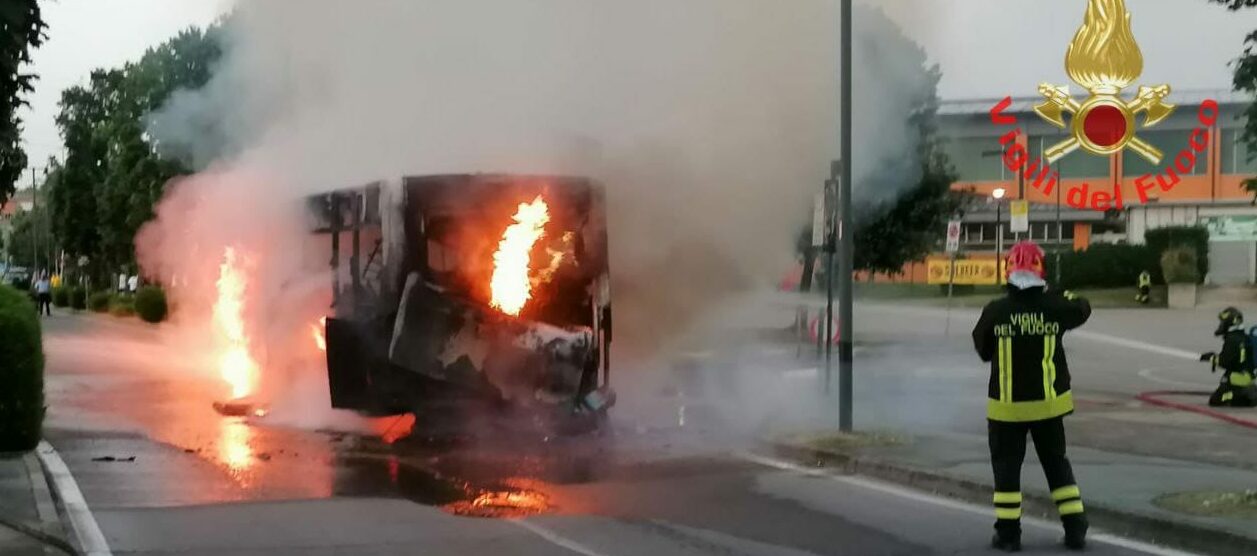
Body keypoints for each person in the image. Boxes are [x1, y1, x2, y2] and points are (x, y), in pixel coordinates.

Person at [972, 241, 1091, 552]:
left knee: (1007, 472)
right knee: (1056, 465)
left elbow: (983, 351)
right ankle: (1075, 528)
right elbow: (1082, 307)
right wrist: (1056, 294)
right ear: (1042, 272)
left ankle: (1009, 536)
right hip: (1049, 407)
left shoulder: (995, 311)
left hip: (1007, 410)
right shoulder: (1056, 306)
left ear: (1008, 272)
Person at [1201, 307, 1257, 407]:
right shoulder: (1244, 337)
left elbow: (1224, 361)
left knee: (1216, 400)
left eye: (1223, 322)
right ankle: (1249, 394)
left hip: (1235, 382)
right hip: (1249, 379)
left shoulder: (1232, 340)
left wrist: (1211, 358)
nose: (1221, 325)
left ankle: (1236, 397)